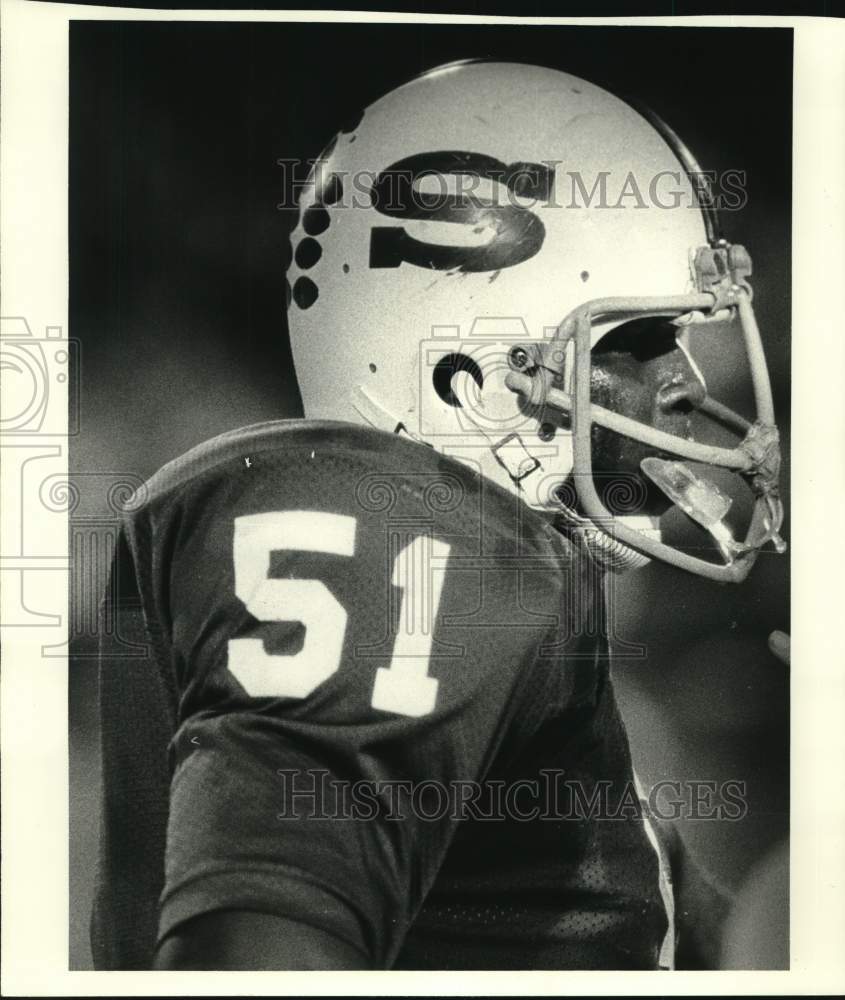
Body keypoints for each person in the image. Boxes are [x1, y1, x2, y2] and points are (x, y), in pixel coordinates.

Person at [92, 60, 785, 970]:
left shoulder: (516, 618)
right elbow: (251, 963)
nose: (684, 389)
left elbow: (739, 953)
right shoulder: (396, 539)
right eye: (638, 343)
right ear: (467, 384)